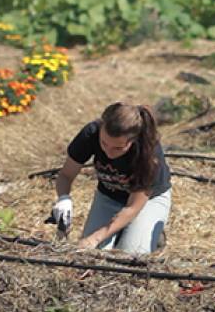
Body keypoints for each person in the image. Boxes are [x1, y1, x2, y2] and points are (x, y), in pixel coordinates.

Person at [51, 102, 172, 254]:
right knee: (92, 254)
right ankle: (129, 232)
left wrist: (95, 238)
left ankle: (148, 233)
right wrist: (63, 199)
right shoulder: (91, 133)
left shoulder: (148, 153)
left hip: (147, 202)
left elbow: (132, 207)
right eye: (104, 143)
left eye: (118, 148)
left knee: (128, 256)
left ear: (133, 140)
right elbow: (65, 175)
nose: (108, 152)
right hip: (109, 195)